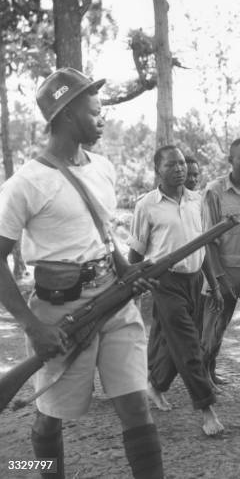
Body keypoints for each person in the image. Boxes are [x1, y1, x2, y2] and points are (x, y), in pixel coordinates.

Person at [0, 68, 163, 479]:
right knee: (50, 416)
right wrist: (33, 326)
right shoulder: (25, 183)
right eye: (95, 111)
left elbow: (103, 234)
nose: (103, 118)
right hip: (61, 315)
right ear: (68, 115)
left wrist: (128, 271)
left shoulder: (104, 168)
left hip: (115, 301)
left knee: (136, 405)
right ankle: (36, 469)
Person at [128, 145, 225, 435]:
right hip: (165, 283)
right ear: (158, 170)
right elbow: (135, 255)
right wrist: (137, 286)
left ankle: (155, 385)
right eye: (172, 165)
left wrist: (214, 285)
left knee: (176, 343)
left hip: (194, 281)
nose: (180, 169)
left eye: (182, 163)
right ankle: (207, 410)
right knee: (189, 346)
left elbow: (203, 244)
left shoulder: (197, 201)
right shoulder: (147, 205)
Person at [201, 139, 240, 381]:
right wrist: (218, 278)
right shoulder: (215, 191)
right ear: (231, 161)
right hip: (224, 276)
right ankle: (205, 379)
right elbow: (208, 239)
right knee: (213, 332)